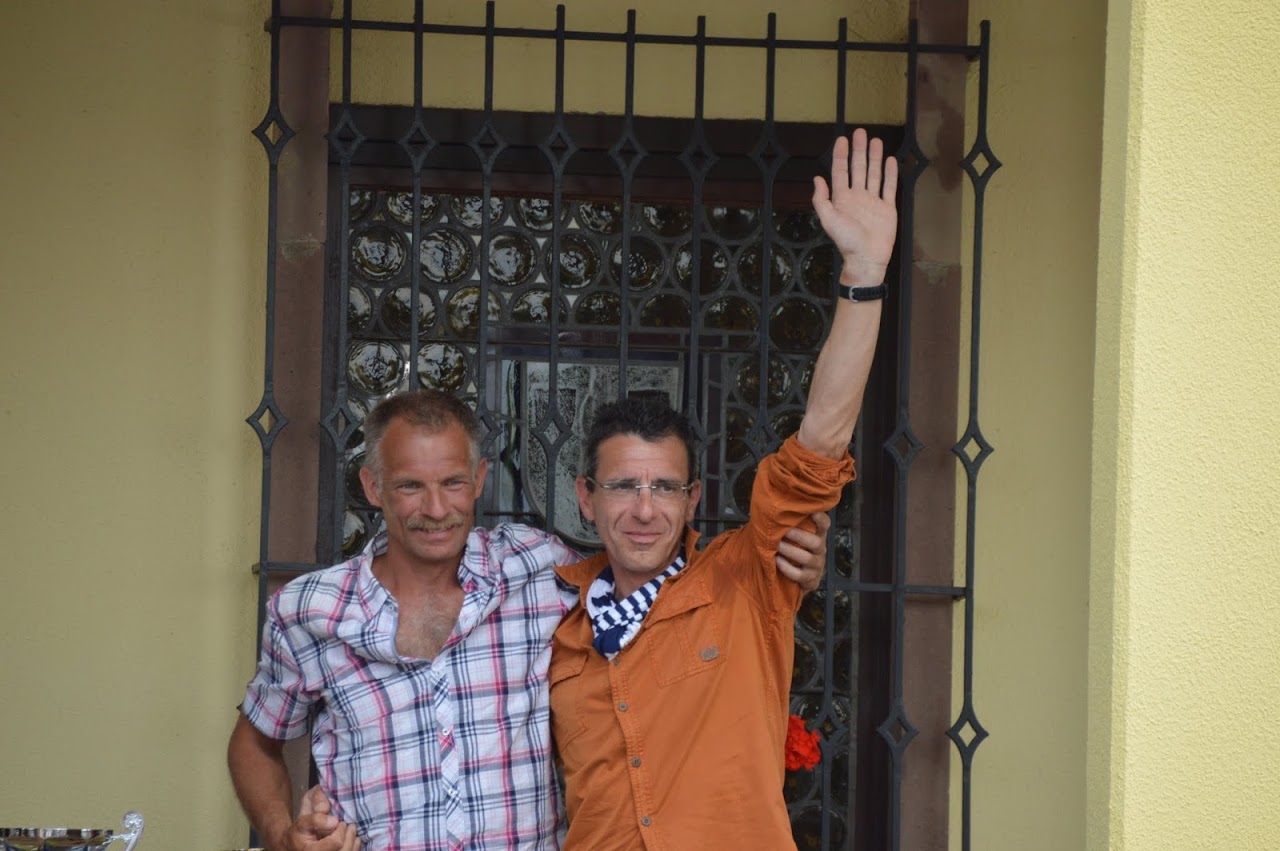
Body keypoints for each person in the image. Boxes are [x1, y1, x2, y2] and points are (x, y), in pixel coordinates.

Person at [226, 390, 830, 851]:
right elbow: (254, 742)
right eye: (410, 486)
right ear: (372, 486)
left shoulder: (541, 571)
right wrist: (283, 835)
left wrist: (786, 566)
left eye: (453, 482)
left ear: (479, 481)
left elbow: (652, 569)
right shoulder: (307, 612)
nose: (435, 508)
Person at [548, 126, 898, 850]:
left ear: (693, 500)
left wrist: (863, 277)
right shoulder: (556, 629)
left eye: (665, 487)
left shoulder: (745, 580)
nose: (644, 509)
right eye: (623, 486)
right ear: (586, 497)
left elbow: (817, 448)